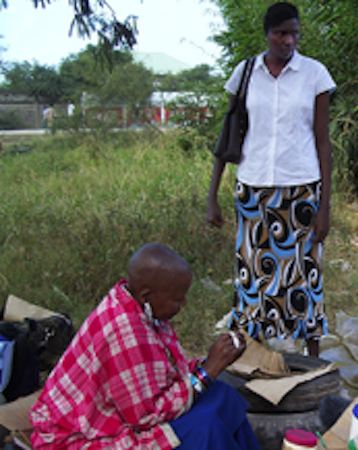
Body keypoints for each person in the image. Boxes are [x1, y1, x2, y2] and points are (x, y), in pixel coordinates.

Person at [30, 243, 260, 450]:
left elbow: (166, 374)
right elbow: (147, 417)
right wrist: (207, 371)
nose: (184, 304)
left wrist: (212, 361)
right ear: (147, 295)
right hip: (81, 438)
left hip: (125, 414)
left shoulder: (142, 308)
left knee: (224, 396)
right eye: (178, 299)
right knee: (205, 428)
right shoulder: (123, 330)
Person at [206, 2, 335, 357]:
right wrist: (212, 196)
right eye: (280, 33)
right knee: (253, 277)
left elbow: (323, 142)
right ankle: (253, 356)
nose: (288, 40)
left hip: (301, 191)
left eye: (294, 33)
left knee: (304, 275)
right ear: (267, 34)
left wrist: (325, 206)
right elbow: (227, 135)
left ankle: (312, 360)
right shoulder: (246, 73)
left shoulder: (315, 75)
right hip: (253, 190)